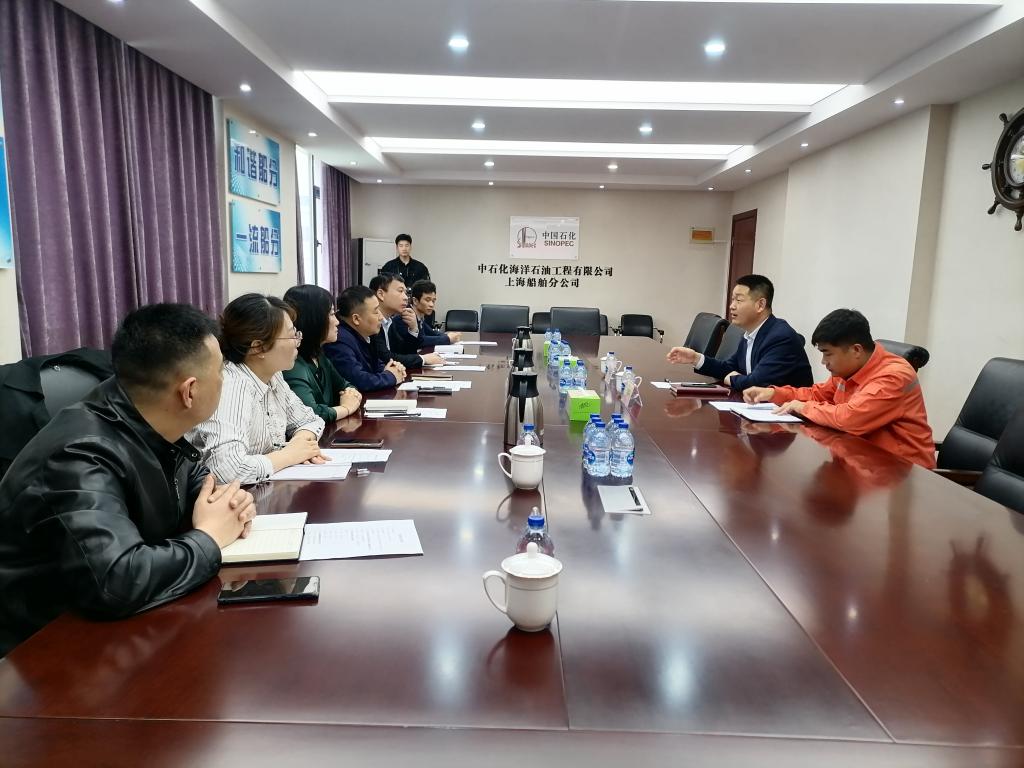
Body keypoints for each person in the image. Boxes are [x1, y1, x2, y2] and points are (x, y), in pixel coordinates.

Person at [0, 304, 255, 656]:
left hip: (121, 626)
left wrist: (226, 504)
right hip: (43, 647)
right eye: (221, 372)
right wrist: (209, 537)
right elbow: (116, 581)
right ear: (189, 391)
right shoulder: (80, 453)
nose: (224, 381)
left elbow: (191, 475)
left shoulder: (147, 414)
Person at [743, 308, 935, 469]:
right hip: (862, 460)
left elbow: (850, 418)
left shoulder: (894, 376)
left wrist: (803, 407)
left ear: (856, 350)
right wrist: (774, 393)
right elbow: (818, 394)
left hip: (904, 472)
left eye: (828, 354)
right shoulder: (850, 369)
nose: (823, 362)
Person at [188, 294, 326, 485]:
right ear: (258, 347)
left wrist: (300, 443)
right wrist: (289, 455)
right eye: (291, 335)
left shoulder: (273, 376)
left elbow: (310, 420)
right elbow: (226, 469)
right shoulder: (233, 385)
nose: (298, 341)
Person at [666, 274, 813, 391]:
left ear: (760, 305)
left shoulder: (780, 337)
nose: (732, 306)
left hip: (788, 416)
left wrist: (731, 379)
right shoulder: (750, 334)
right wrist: (695, 358)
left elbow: (756, 383)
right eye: (732, 300)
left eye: (739, 300)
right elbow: (729, 368)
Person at [283, 284, 364, 422]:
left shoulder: (318, 355)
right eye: (331, 314)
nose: (337, 322)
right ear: (314, 319)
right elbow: (310, 414)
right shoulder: (292, 364)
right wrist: (346, 408)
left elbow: (346, 385)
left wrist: (351, 394)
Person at [325, 285, 407, 392]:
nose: (381, 317)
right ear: (356, 319)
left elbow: (375, 364)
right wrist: (391, 376)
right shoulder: (339, 340)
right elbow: (359, 380)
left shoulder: (366, 333)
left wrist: (392, 368)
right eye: (376, 311)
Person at [370, 273, 445, 367]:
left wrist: (413, 329)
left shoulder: (389, 322)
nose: (406, 298)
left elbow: (405, 352)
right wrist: (423, 359)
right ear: (381, 294)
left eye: (405, 293)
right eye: (400, 291)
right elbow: (386, 358)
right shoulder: (371, 322)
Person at [410, 279, 462, 346]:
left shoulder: (419, 317)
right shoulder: (407, 316)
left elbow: (432, 333)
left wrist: (449, 336)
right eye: (427, 300)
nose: (431, 305)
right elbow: (421, 341)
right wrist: (448, 338)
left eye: (433, 301)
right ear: (415, 301)